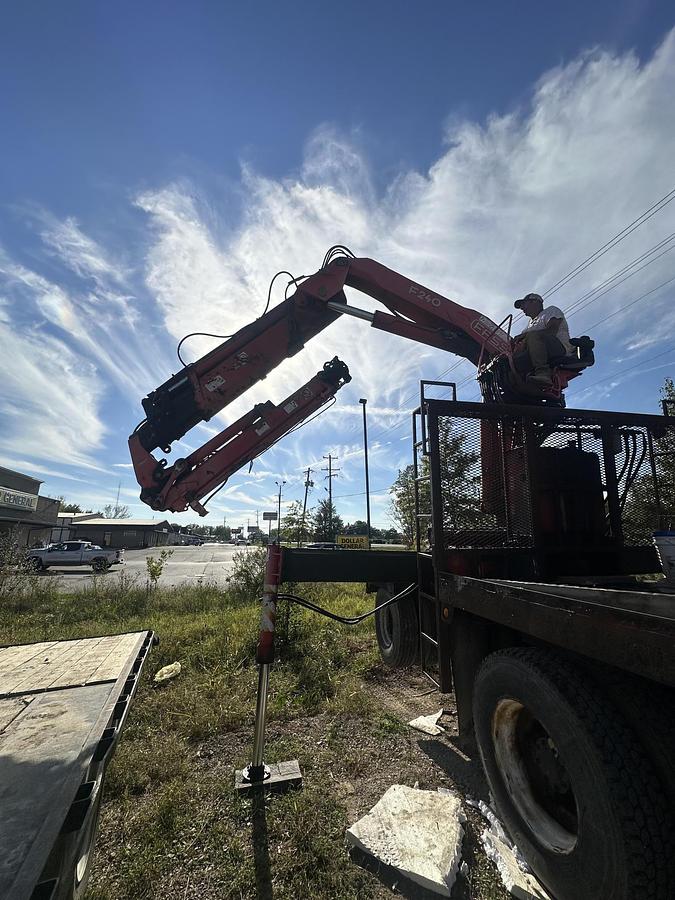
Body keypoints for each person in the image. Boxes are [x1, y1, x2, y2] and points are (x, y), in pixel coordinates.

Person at [512, 293, 573, 386]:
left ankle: (543, 373)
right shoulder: (529, 325)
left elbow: (551, 330)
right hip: (539, 351)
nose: (522, 308)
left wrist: (526, 336)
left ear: (535, 302)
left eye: (524, 304)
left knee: (533, 336)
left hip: (559, 348)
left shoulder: (551, 310)